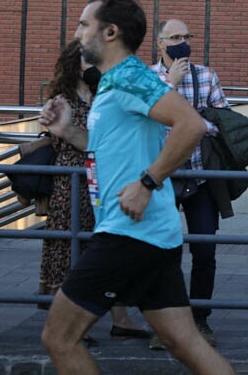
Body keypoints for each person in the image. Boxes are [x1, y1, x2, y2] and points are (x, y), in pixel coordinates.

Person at [38, 0, 234, 375]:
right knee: (185, 343)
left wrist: (147, 183)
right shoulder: (114, 83)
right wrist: (68, 132)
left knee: (58, 337)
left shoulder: (129, 77)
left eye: (83, 24)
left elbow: (191, 124)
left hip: (128, 235)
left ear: (110, 32)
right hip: (151, 235)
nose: (77, 33)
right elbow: (111, 148)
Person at [39, 41, 151, 344]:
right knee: (72, 250)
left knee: (108, 248)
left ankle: (120, 318)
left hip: (103, 179)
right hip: (72, 184)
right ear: (77, 65)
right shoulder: (63, 100)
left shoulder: (103, 95)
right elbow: (88, 141)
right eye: (91, 62)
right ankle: (69, 323)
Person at [149, 18, 230, 349]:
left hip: (199, 175)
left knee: (204, 250)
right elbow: (145, 119)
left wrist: (194, 124)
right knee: (160, 253)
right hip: (161, 177)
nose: (182, 42)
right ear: (161, 44)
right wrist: (170, 84)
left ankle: (199, 321)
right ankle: (164, 324)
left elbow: (222, 120)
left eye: (186, 36)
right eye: (175, 37)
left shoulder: (206, 76)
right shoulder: (147, 78)